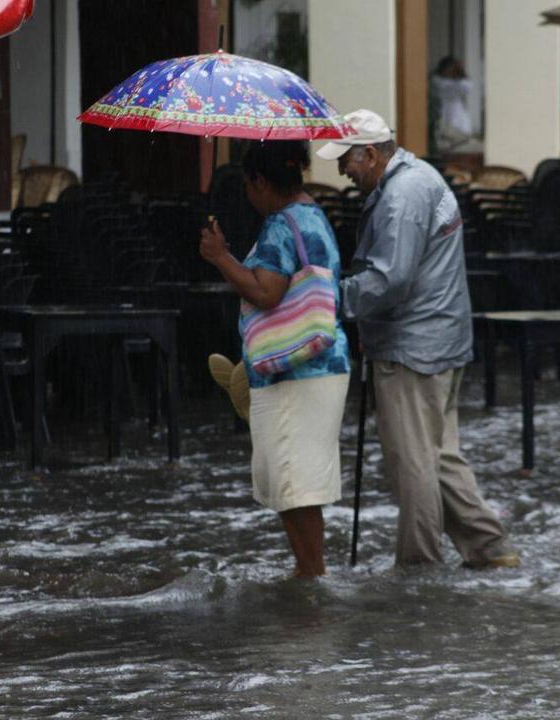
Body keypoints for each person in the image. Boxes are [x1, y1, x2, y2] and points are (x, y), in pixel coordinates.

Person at [315, 109, 518, 570]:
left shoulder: (400, 196)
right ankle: (489, 546)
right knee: (439, 455)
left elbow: (390, 279)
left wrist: (328, 299)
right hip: (439, 338)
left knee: (414, 463)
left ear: (369, 154)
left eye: (346, 160)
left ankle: (418, 565)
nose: (341, 171)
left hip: (412, 346)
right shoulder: (417, 177)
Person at [200, 140, 351, 578]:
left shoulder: (282, 225)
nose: (248, 195)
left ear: (261, 181)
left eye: (249, 186)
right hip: (317, 366)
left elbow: (266, 291)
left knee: (293, 483)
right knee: (292, 481)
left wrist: (220, 257)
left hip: (296, 370)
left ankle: (310, 578)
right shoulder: (313, 215)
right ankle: (309, 574)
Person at [431, 56, 472, 152]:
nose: (451, 71)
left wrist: (460, 74)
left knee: (460, 142)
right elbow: (447, 87)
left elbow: (466, 87)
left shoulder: (460, 83)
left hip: (458, 116)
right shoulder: (436, 80)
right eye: (450, 68)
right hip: (442, 113)